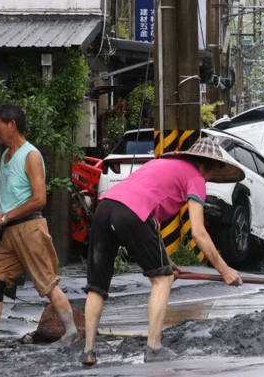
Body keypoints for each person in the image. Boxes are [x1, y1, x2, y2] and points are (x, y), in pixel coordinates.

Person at [81, 137, 246, 366]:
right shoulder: (196, 178)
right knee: (163, 279)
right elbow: (198, 232)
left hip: (105, 208)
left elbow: (151, 224)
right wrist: (225, 269)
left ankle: (89, 351)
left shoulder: (159, 164)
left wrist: (166, 260)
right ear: (211, 165)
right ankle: (154, 347)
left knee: (97, 286)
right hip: (131, 213)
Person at [0, 103, 79, 354]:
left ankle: (72, 332)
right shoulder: (6, 156)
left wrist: (6, 216)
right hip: (11, 233)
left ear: (12, 124)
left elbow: (39, 199)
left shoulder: (31, 155)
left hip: (30, 229)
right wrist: (4, 218)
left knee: (47, 283)